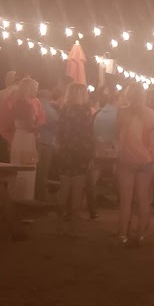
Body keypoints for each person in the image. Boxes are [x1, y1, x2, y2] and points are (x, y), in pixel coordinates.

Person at [116, 84, 154, 246]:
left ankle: (123, 234)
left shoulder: (122, 112)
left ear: (128, 95)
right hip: (145, 159)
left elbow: (118, 136)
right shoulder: (150, 113)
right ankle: (141, 233)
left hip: (126, 158)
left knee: (125, 200)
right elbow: (153, 139)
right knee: (143, 198)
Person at [55, 83, 95, 236]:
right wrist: (91, 153)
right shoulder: (85, 111)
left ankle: (59, 222)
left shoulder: (64, 109)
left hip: (65, 151)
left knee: (64, 187)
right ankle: (74, 226)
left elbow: (59, 131)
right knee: (77, 189)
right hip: (81, 152)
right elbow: (88, 133)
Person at [88, 87, 120, 219]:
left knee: (93, 177)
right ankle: (120, 201)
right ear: (116, 100)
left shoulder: (98, 113)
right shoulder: (118, 114)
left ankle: (91, 202)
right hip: (114, 151)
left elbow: (92, 130)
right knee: (119, 175)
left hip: (98, 149)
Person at [8, 77, 40, 202]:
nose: (37, 91)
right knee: (27, 168)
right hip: (27, 139)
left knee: (16, 167)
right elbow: (29, 126)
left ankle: (13, 197)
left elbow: (11, 124)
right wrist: (40, 127)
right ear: (29, 89)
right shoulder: (28, 106)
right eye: (35, 88)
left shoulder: (15, 104)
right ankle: (25, 199)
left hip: (17, 138)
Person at [35, 87, 61, 202]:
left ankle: (33, 195)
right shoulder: (53, 112)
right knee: (43, 173)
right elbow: (57, 129)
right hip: (48, 143)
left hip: (36, 142)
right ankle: (41, 198)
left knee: (34, 171)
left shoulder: (35, 108)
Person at [0, 71, 18, 163]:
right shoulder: (22, 94)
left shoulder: (0, 94)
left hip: (1, 129)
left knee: (1, 158)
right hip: (16, 131)